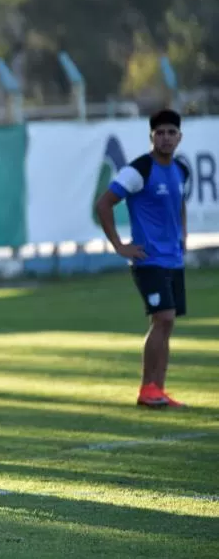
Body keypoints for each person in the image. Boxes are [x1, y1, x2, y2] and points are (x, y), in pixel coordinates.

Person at [95, 108, 190, 408]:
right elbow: (104, 204)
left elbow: (180, 203)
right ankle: (147, 388)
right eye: (159, 133)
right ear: (151, 136)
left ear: (179, 137)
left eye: (171, 133)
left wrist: (182, 236)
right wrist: (119, 246)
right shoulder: (139, 170)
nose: (165, 138)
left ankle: (158, 389)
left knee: (166, 324)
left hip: (173, 259)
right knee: (163, 318)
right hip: (148, 259)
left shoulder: (181, 170)